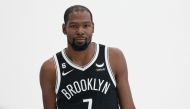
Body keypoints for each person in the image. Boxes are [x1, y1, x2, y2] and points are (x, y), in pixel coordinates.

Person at [40, 5, 136, 109]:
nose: (80, 31)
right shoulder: (50, 68)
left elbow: (128, 107)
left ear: (93, 27)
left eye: (86, 25)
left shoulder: (113, 57)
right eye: (74, 26)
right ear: (64, 29)